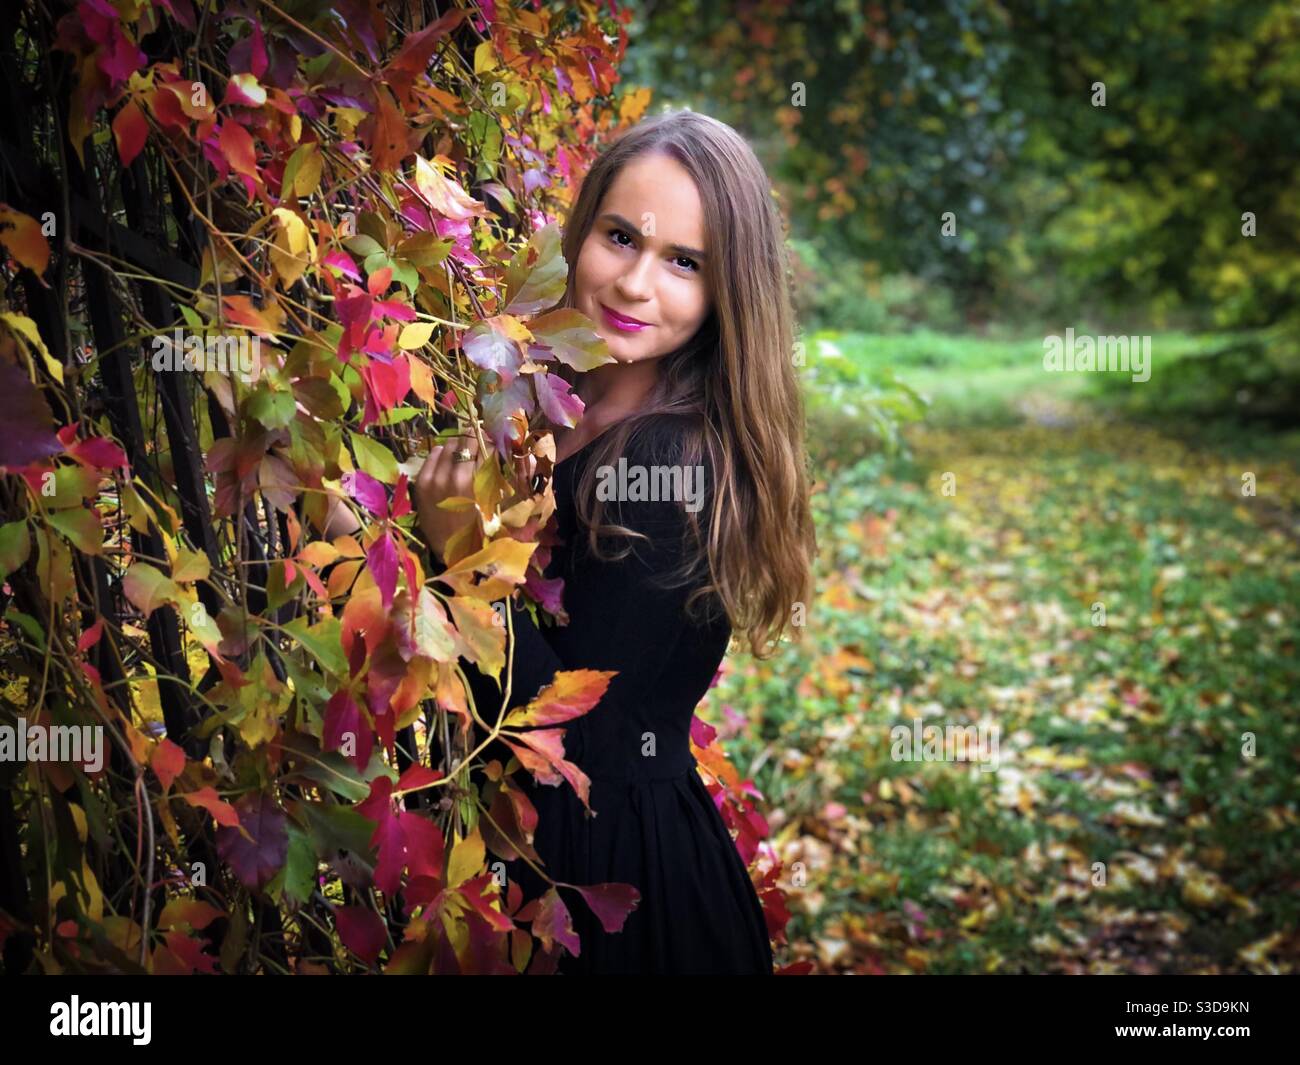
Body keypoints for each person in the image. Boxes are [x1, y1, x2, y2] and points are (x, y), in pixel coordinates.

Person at [415, 109, 816, 974]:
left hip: (624, 897)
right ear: (581, 228)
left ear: (727, 291)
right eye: (621, 236)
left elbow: (571, 733)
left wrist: (457, 562)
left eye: (684, 262)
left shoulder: (675, 461)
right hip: (541, 866)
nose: (636, 284)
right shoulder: (553, 395)